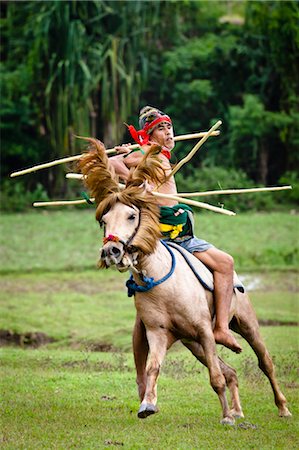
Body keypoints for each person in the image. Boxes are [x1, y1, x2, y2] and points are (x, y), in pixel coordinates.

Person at [110, 106, 242, 357]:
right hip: (173, 238)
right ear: (149, 135)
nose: (169, 132)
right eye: (161, 128)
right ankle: (222, 327)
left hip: (170, 233)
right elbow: (121, 161)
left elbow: (117, 163)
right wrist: (135, 154)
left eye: (169, 126)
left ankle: (221, 327)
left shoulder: (152, 155)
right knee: (225, 263)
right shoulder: (154, 154)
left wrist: (133, 172)